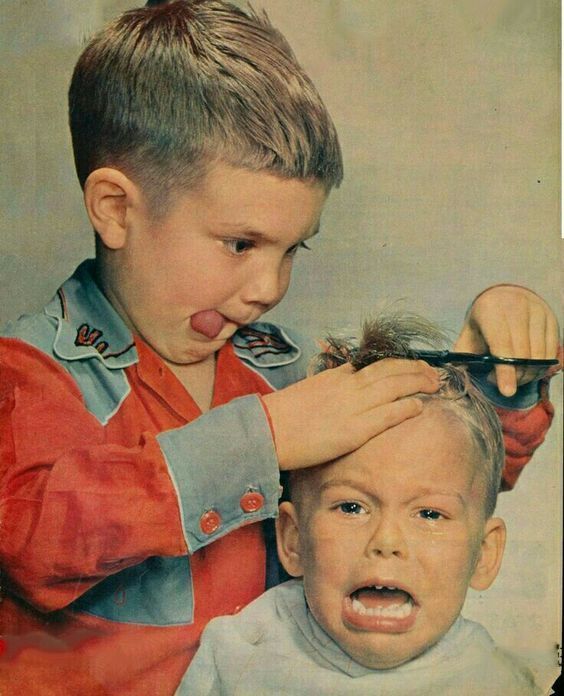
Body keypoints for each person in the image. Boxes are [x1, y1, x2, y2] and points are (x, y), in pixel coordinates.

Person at [0, 1, 558, 694]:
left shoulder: (284, 369)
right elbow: (28, 540)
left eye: (292, 249)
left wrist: (502, 374)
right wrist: (262, 443)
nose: (269, 287)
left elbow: (440, 467)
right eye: (241, 244)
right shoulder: (31, 372)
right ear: (116, 209)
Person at [183, 315, 544, 695]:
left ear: (484, 554)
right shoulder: (237, 657)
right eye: (352, 507)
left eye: (429, 513)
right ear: (293, 540)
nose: (387, 540)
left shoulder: (499, 683)